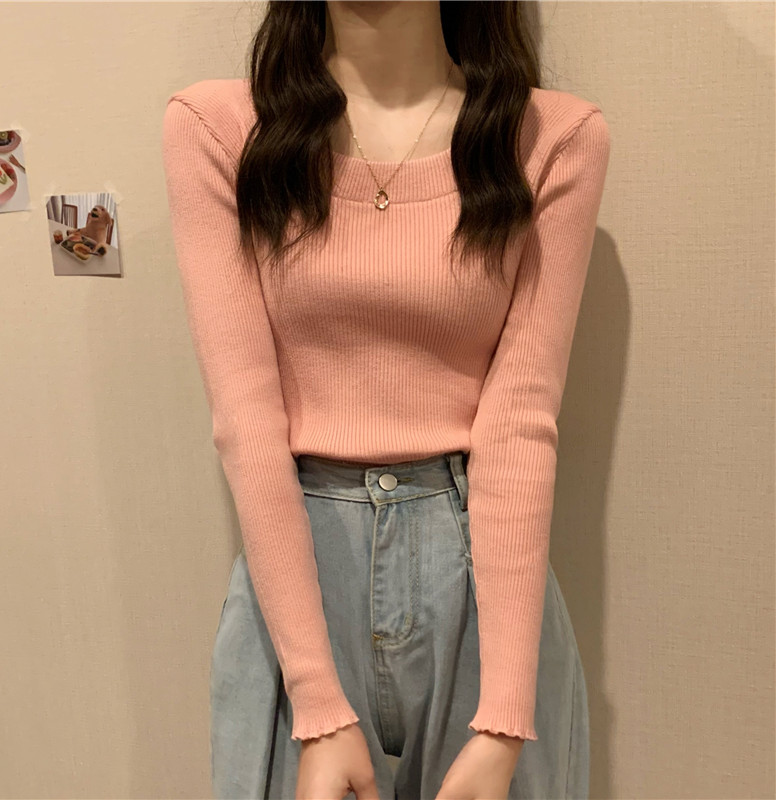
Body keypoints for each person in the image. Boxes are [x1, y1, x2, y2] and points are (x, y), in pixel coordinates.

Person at [161, 1, 610, 798]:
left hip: (485, 587)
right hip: (298, 582)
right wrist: (316, 703)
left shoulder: (550, 141)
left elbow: (521, 422)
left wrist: (506, 717)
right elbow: (245, 423)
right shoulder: (221, 131)